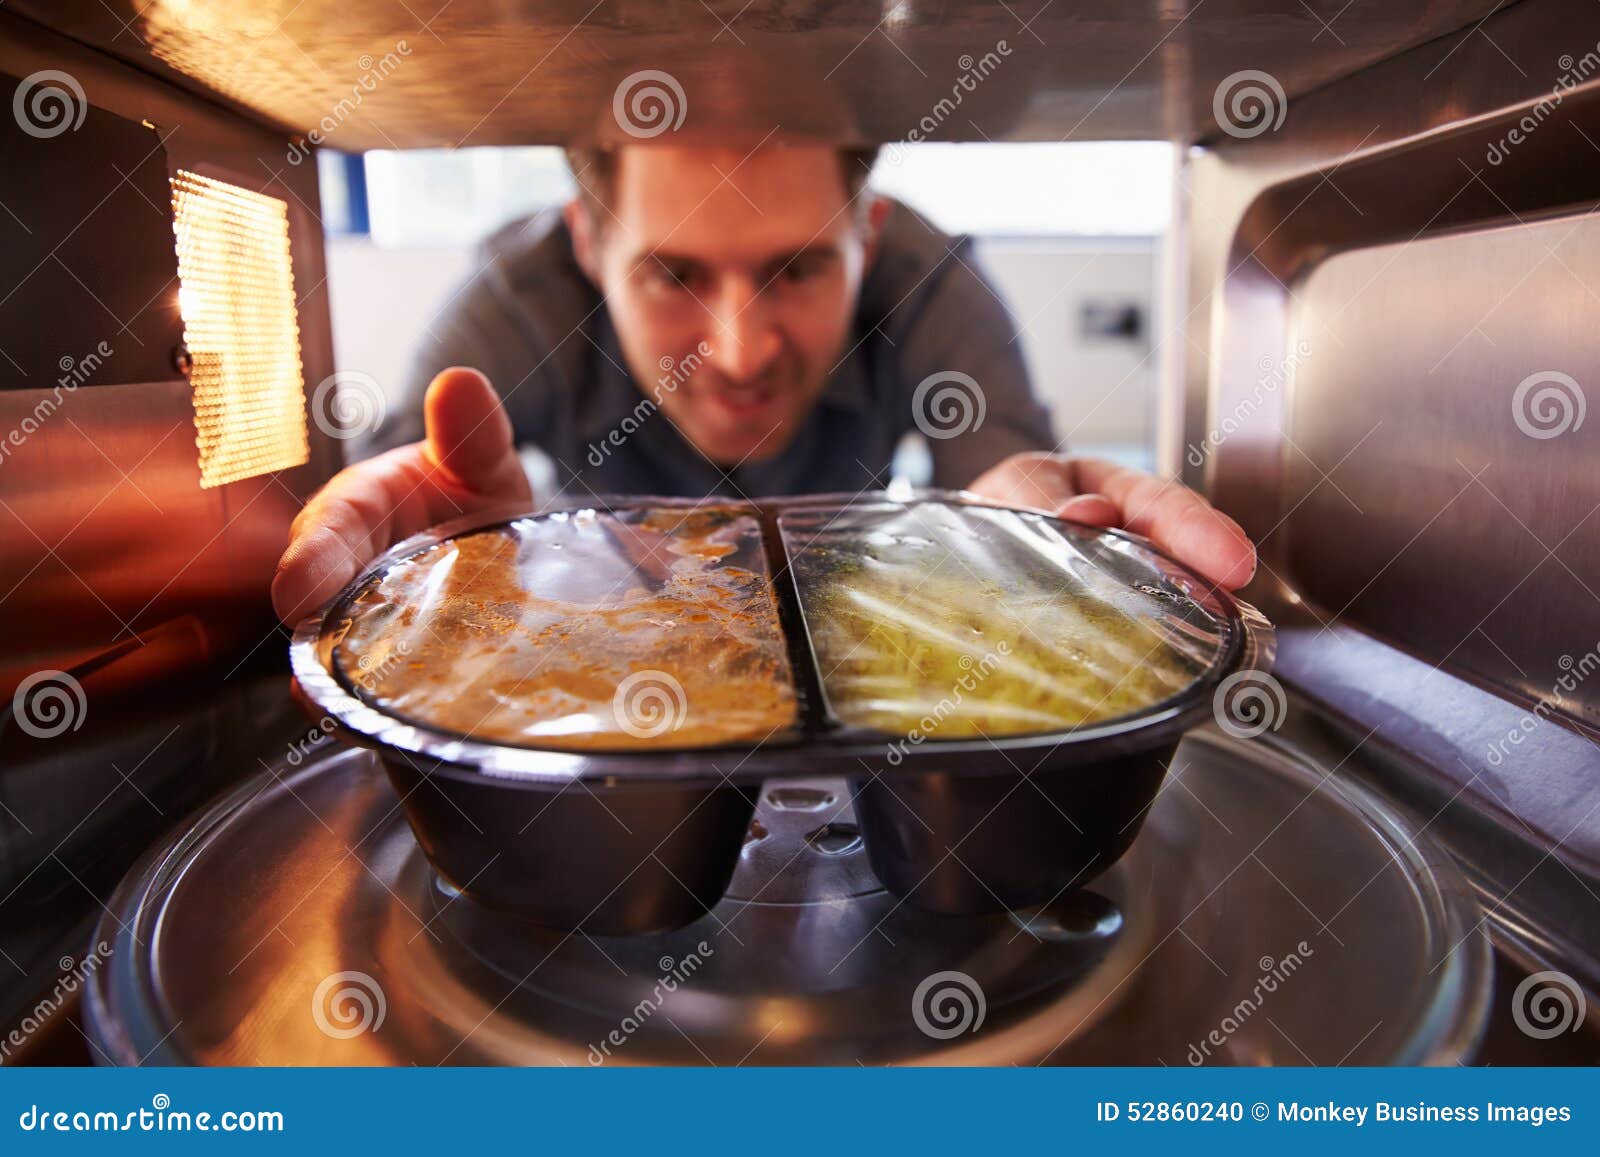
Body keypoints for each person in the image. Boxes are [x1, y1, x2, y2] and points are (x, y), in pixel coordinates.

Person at [271, 142, 1254, 624]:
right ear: (587, 240)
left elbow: (1011, 480)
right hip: (619, 635)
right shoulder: (516, 303)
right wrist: (435, 571)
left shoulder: (927, 279)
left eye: (798, 269)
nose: (737, 354)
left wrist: (1028, 538)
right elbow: (400, 497)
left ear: (865, 238)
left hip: (847, 629)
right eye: (673, 273)